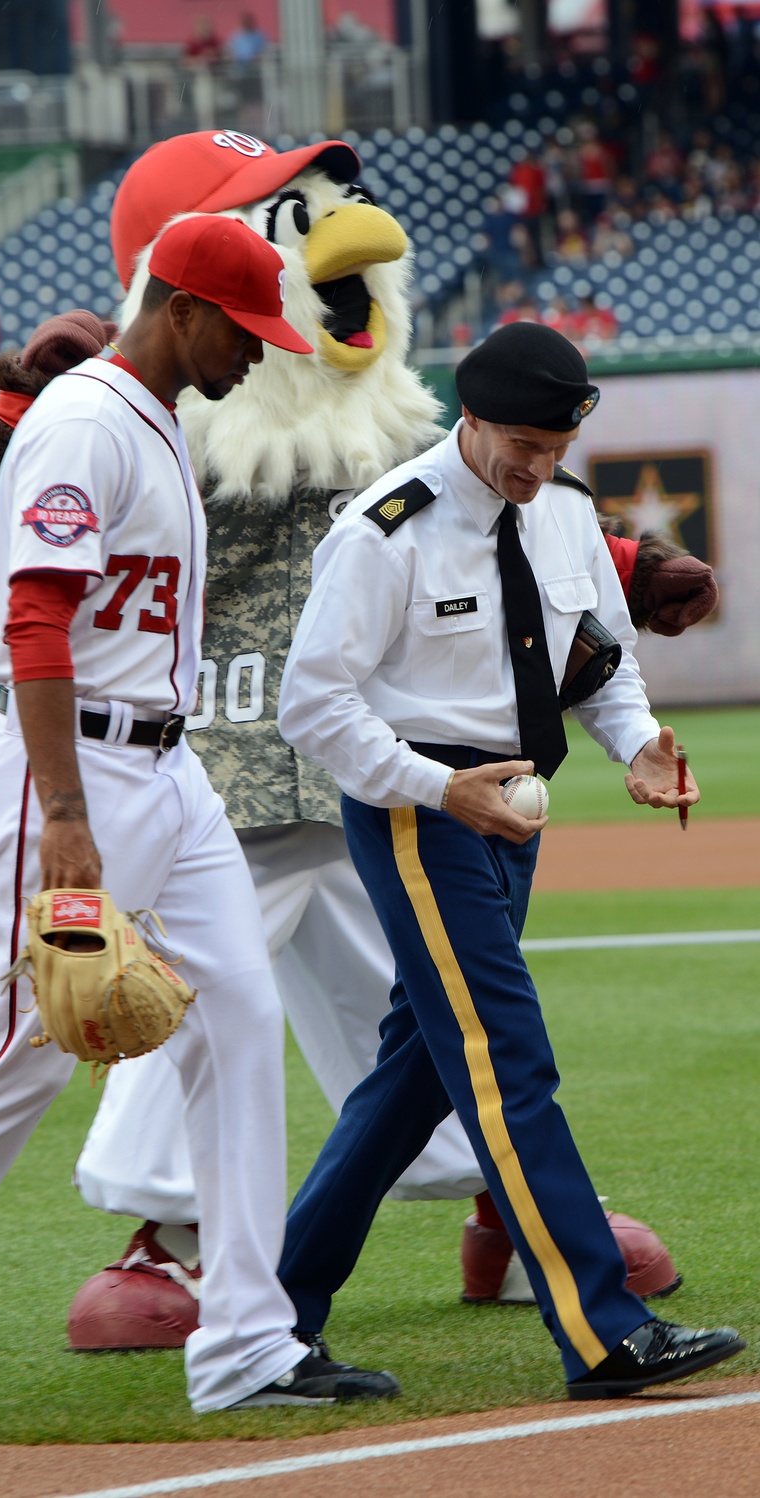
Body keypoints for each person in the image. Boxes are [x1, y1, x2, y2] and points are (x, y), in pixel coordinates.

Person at [0, 214, 398, 1424]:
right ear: (180, 311)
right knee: (24, 1040)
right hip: (65, 772)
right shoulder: (83, 423)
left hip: (168, 771)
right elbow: (35, 627)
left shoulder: (158, 418)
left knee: (239, 1016)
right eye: (243, 330)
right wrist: (64, 818)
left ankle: (247, 1342)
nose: (258, 354)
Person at [273, 321, 746, 1400]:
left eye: (554, 445)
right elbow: (313, 703)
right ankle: (601, 1329)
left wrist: (639, 747)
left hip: (513, 810)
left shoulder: (567, 514)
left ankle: (270, 1312)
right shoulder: (385, 530)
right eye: (520, 445)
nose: (536, 466)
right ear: (470, 417)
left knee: (417, 1077)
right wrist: (439, 789)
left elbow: (602, 660)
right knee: (504, 1057)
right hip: (421, 809)